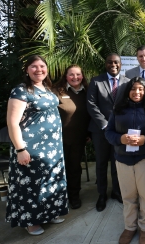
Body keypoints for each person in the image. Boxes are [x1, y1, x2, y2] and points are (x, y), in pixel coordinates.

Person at [6, 55, 68, 236]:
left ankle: (50, 212)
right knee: (32, 185)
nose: (39, 69)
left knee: (51, 182)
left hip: (53, 148)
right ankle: (31, 222)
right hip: (31, 148)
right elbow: (12, 123)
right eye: (34, 66)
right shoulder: (21, 91)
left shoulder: (47, 88)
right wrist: (20, 149)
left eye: (42, 66)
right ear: (26, 70)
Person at [105, 77, 145, 244]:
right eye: (133, 89)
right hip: (123, 159)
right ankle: (130, 227)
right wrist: (121, 138)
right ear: (127, 91)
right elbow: (108, 133)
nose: (137, 92)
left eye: (140, 89)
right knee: (128, 196)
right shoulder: (118, 110)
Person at [87, 53, 129, 212]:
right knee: (101, 163)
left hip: (119, 131)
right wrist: (105, 125)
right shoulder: (96, 81)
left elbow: (130, 103)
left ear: (120, 64)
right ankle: (102, 194)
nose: (113, 65)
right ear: (106, 64)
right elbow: (91, 105)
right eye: (110, 62)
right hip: (100, 131)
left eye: (116, 62)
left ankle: (117, 192)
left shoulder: (126, 82)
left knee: (117, 162)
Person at [53, 65, 91, 210]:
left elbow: (90, 115)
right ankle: (58, 197)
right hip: (57, 140)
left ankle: (74, 196)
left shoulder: (87, 92)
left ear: (82, 76)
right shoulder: (57, 91)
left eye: (78, 74)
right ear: (65, 76)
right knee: (58, 169)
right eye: (71, 75)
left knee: (74, 168)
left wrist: (89, 134)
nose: (75, 77)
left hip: (78, 138)